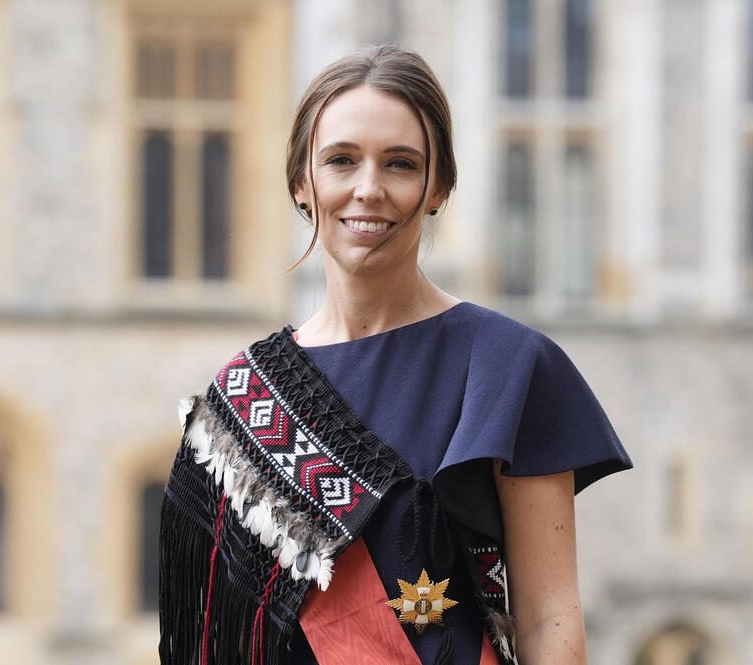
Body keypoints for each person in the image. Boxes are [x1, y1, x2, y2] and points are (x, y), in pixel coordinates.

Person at [159, 45, 631, 665]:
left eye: (401, 164)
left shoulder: (508, 368)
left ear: (437, 187)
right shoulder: (241, 397)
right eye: (341, 160)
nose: (368, 188)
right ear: (304, 184)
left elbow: (548, 620)